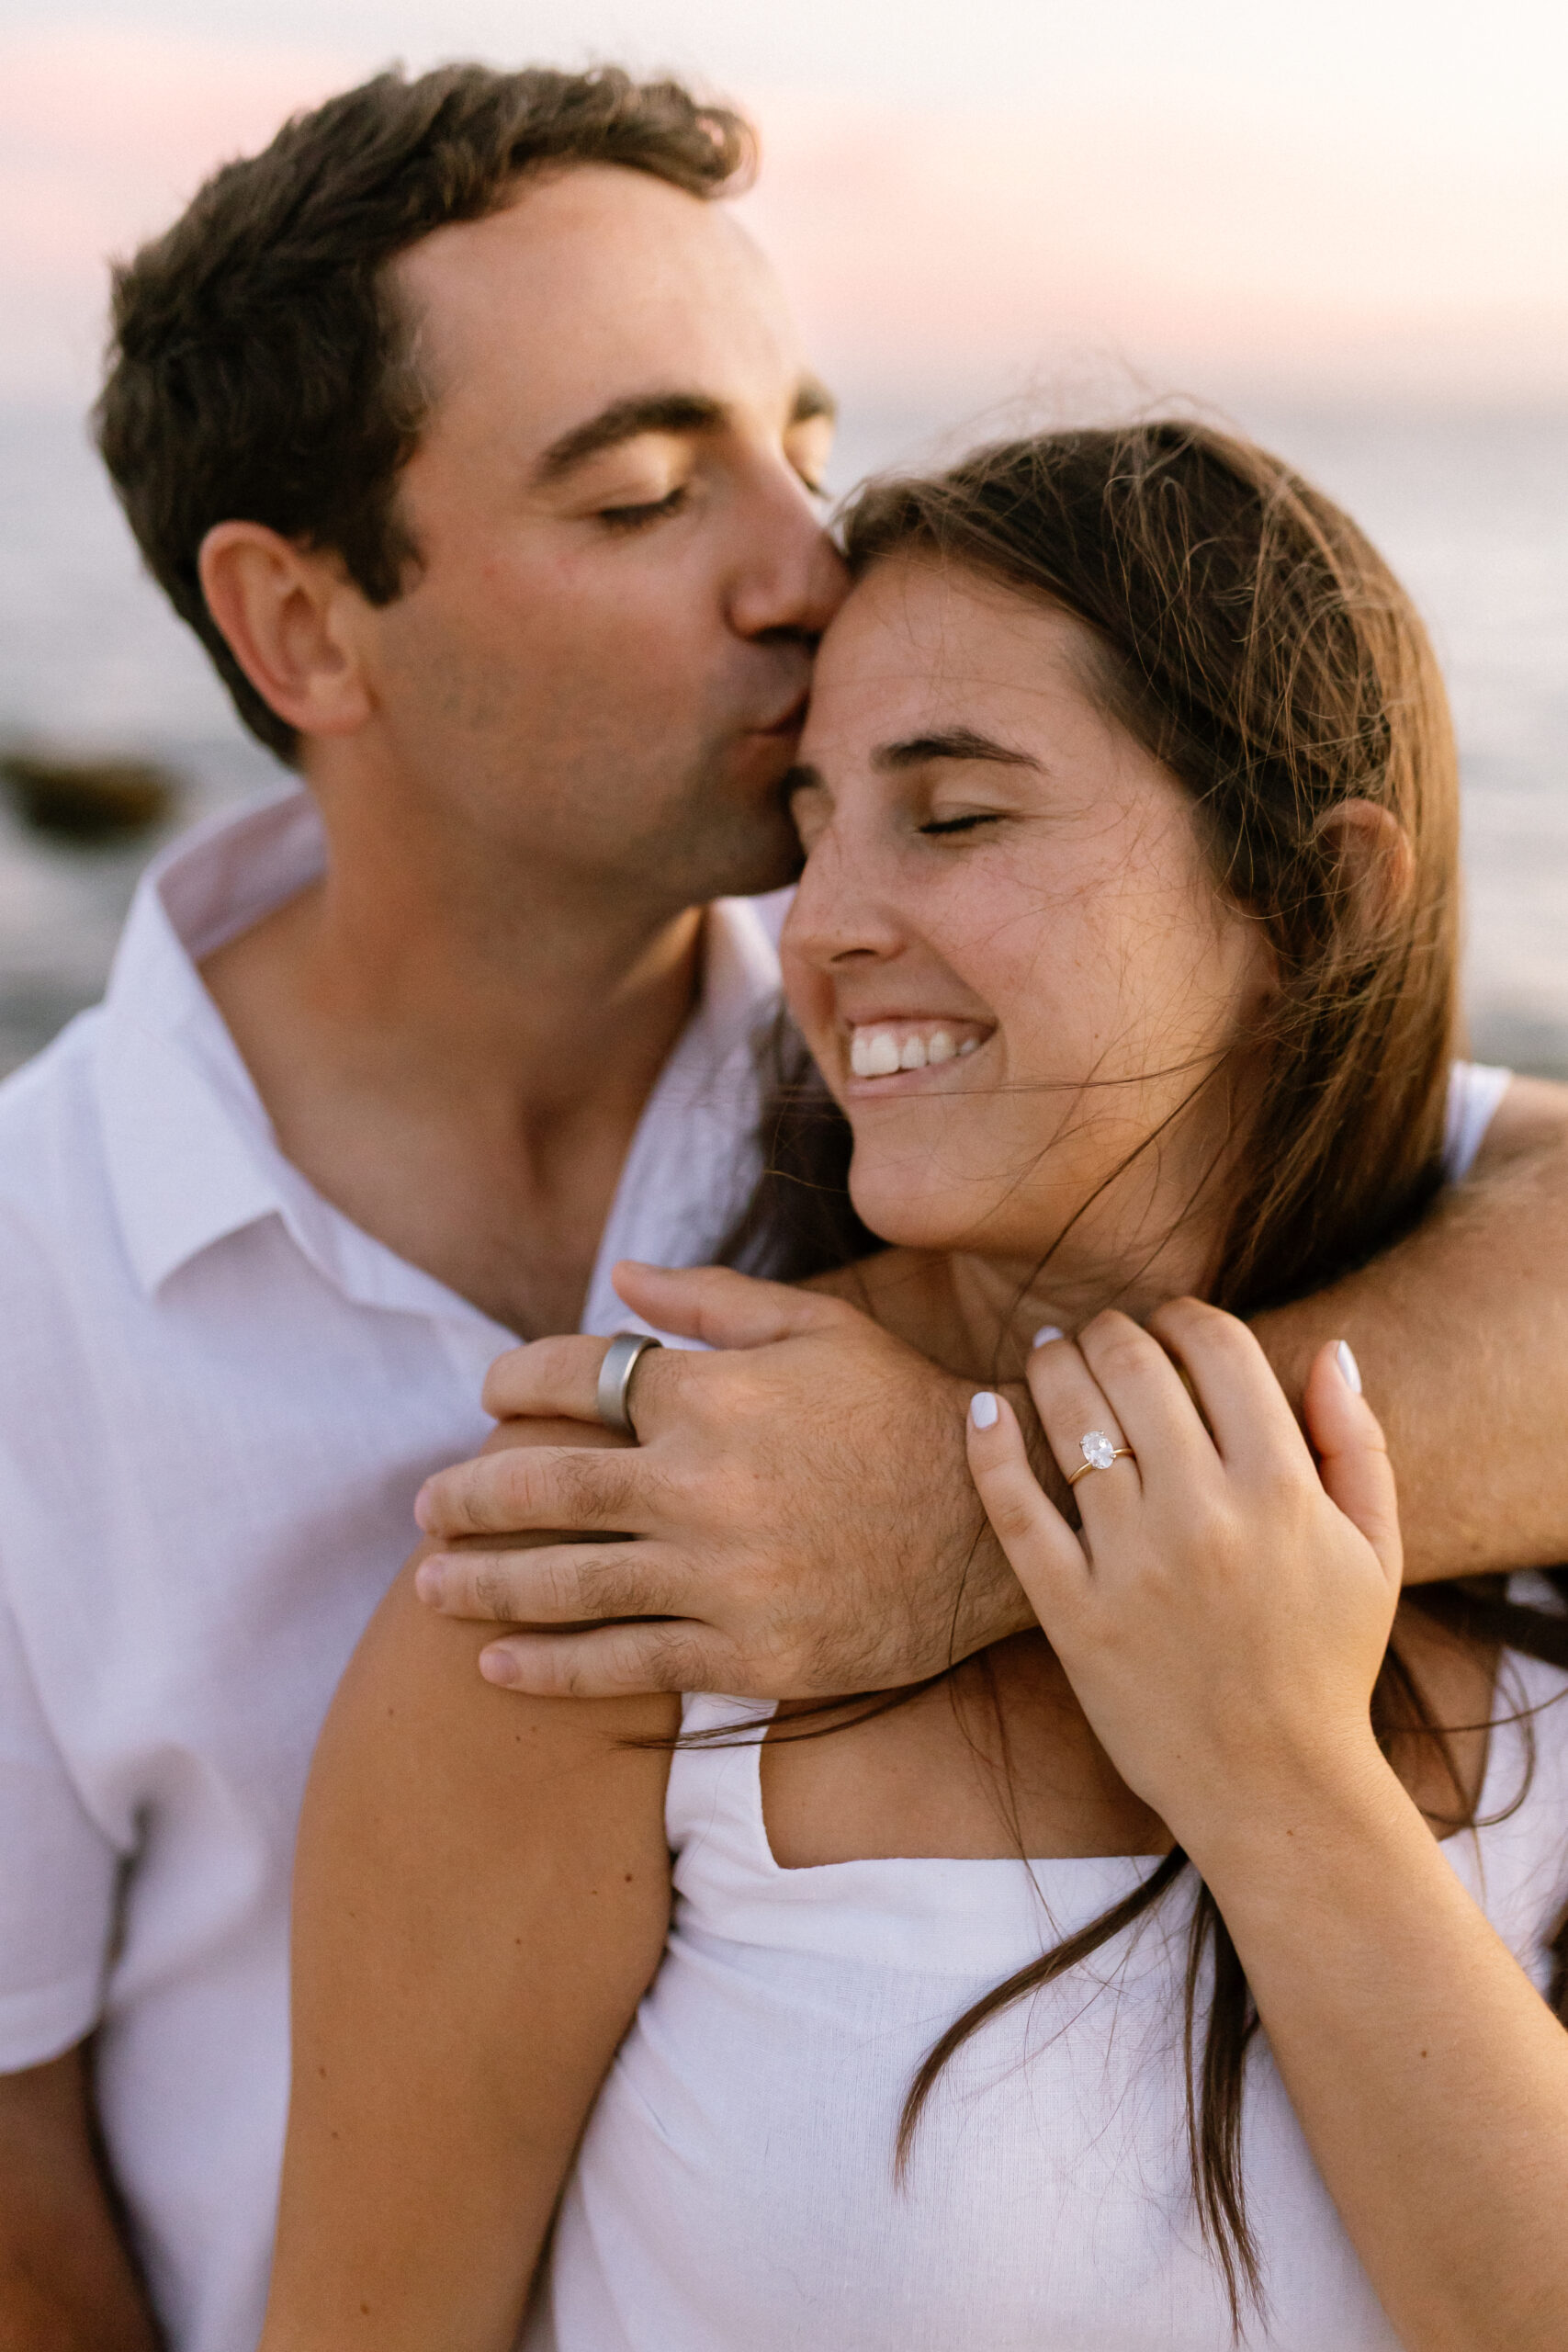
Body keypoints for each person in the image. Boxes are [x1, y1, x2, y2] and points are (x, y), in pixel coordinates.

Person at [0, 56, 1564, 2352]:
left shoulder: (955, 1063)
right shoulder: (36, 1286)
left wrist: (969, 1518)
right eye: (646, 488)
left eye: (800, 442)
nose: (803, 563)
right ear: (306, 629)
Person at [260, 423, 1568, 2352]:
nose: (822, 925)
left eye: (951, 816)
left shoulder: (1526, 1506)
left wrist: (1265, 1754)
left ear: (1310, 898)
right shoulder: (622, 1572)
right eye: (807, 825)